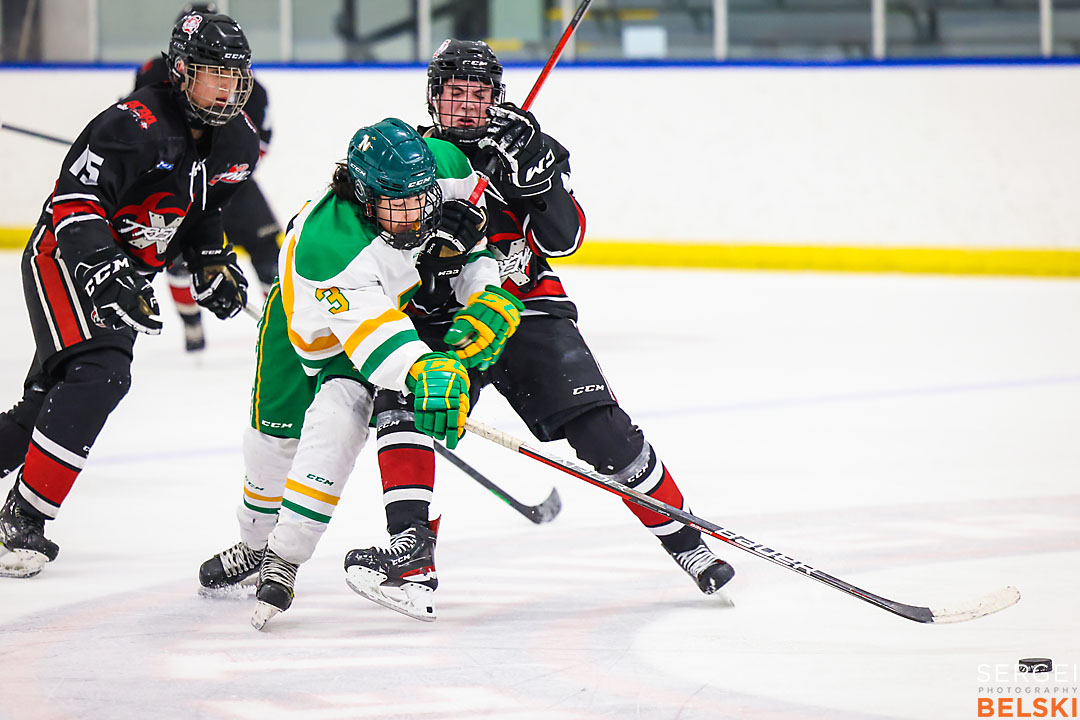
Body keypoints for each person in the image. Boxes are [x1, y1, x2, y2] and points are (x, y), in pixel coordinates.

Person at [341, 39, 735, 620]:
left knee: (603, 433)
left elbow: (564, 239)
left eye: (480, 95)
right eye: (456, 95)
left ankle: (688, 544)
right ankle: (412, 559)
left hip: (526, 309)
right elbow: (379, 247)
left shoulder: (531, 146)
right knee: (405, 402)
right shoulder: (412, 156)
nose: (469, 108)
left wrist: (536, 177)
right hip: (446, 320)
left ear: (497, 97)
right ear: (434, 97)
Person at [195, 118, 524, 628]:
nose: (414, 215)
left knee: (339, 425)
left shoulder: (442, 168)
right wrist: (426, 368)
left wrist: (483, 293)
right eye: (398, 204)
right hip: (305, 326)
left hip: (378, 314)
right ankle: (255, 544)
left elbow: (472, 239)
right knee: (271, 445)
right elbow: (378, 340)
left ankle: (284, 558)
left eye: (422, 199)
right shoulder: (329, 247)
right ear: (364, 196)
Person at [0, 10, 257, 578]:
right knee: (101, 375)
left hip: (124, 271)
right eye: (214, 74)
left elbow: (202, 213)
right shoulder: (133, 124)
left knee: (48, 407)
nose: (227, 89)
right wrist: (105, 266)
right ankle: (20, 520)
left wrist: (211, 262)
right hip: (65, 259)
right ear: (182, 71)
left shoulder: (235, 139)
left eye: (234, 76)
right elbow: (73, 204)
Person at [135, 2, 281, 352]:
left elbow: (260, 142)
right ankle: (192, 331)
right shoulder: (153, 74)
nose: (226, 79)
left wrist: (221, 163)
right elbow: (134, 126)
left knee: (268, 253)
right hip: (175, 183)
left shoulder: (252, 89)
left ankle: (278, 332)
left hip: (230, 180)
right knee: (179, 259)